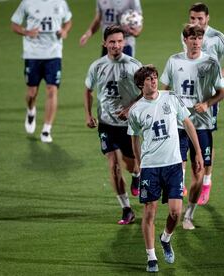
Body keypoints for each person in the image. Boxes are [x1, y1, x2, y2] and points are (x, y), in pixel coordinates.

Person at [128, 65, 203, 272]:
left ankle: (166, 238)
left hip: (173, 165)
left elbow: (187, 123)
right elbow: (134, 137)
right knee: (149, 212)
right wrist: (139, 162)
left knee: (175, 212)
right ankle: (151, 257)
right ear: (141, 84)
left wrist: (197, 151)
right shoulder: (136, 110)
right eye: (149, 79)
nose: (154, 81)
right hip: (151, 166)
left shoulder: (170, 98)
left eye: (155, 77)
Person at [161, 24, 224, 230]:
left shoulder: (211, 63)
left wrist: (207, 103)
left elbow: (221, 93)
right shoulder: (174, 61)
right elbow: (166, 90)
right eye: (192, 38)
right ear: (185, 40)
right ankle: (176, 209)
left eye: (199, 38)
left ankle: (189, 213)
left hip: (203, 125)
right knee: (177, 169)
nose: (196, 42)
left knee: (198, 171)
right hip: (179, 125)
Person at [182, 2, 224, 205]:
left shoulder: (217, 37)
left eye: (199, 18)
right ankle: (183, 181)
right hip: (188, 96)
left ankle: (206, 180)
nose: (195, 22)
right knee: (184, 134)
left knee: (206, 135)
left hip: (209, 97)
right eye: (192, 18)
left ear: (207, 18)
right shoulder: (186, 35)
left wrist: (216, 78)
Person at [83, 25, 142, 225]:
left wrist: (130, 109)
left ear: (124, 42)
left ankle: (136, 174)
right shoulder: (97, 66)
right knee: (114, 166)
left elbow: (146, 93)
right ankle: (126, 208)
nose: (116, 45)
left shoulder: (134, 66)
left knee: (130, 163)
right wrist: (88, 114)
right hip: (106, 124)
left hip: (127, 125)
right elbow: (88, 90)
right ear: (104, 43)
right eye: (112, 42)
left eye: (119, 41)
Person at [11, 0, 72, 143]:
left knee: (52, 90)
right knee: (32, 92)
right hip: (33, 54)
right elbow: (14, 24)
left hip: (54, 54)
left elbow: (68, 21)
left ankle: (46, 129)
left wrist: (65, 30)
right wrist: (26, 31)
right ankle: (31, 111)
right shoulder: (27, 3)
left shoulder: (60, 2)